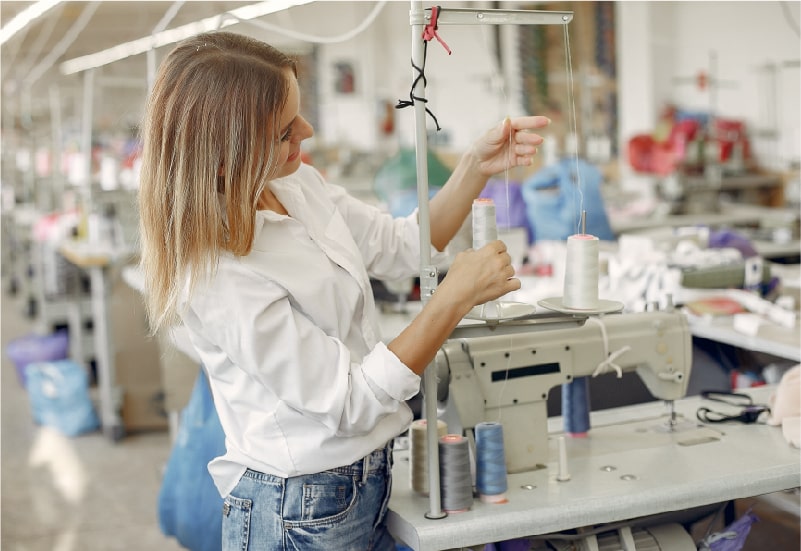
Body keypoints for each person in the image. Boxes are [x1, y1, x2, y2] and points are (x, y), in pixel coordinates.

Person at [138, 30, 549, 551]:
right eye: (286, 131)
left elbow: (401, 245)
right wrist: (454, 298)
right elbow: (349, 400)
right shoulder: (217, 273)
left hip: (365, 480)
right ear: (224, 159)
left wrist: (474, 167)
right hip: (298, 506)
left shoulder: (296, 186)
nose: (306, 132)